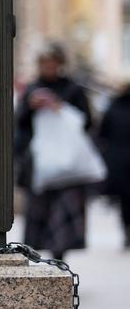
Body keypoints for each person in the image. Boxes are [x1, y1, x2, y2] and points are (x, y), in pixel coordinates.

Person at [16, 43, 94, 260]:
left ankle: (60, 259)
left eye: (53, 63)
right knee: (38, 214)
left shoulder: (73, 89)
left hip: (68, 164)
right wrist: (31, 106)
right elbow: (20, 125)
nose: (49, 67)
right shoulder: (32, 89)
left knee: (64, 216)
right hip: (39, 164)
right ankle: (39, 260)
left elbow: (86, 122)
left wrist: (61, 108)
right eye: (45, 63)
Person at [100, 83, 130, 250]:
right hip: (120, 159)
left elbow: (102, 134)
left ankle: (127, 231)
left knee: (125, 201)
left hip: (118, 161)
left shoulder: (113, 108)